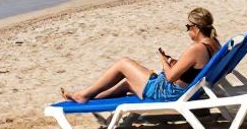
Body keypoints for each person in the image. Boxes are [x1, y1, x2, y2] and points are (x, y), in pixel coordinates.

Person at [60, 8, 222, 104]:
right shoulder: (214, 44)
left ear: (196, 28)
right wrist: (175, 62)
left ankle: (83, 95)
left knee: (123, 63)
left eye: (188, 27)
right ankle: (87, 97)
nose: (187, 30)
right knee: (127, 84)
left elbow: (171, 77)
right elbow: (195, 67)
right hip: (186, 89)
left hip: (170, 92)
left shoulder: (196, 48)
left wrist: (164, 61)